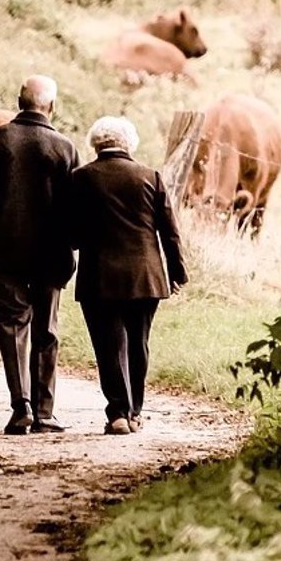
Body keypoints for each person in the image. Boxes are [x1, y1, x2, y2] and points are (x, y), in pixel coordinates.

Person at [0, 75, 80, 435]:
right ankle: (45, 412)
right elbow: (75, 210)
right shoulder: (64, 147)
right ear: (52, 107)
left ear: (19, 101)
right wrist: (73, 248)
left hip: (5, 253)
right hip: (52, 255)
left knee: (12, 327)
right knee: (46, 330)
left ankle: (21, 407)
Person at [69, 116, 188, 435]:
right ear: (129, 143)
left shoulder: (81, 178)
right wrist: (177, 272)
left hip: (99, 277)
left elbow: (72, 234)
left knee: (109, 345)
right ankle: (135, 411)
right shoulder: (151, 177)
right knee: (139, 343)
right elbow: (170, 232)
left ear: (95, 143)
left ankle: (118, 413)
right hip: (146, 276)